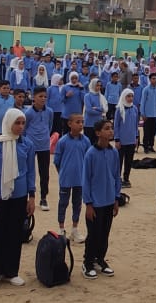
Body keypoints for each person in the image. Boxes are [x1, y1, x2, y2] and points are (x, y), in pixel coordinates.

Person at [0, 108, 37, 290]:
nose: (20, 126)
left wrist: (31, 196)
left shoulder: (27, 145)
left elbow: (30, 172)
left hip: (19, 197)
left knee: (15, 235)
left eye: (23, 123)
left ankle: (11, 271)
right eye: (17, 123)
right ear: (8, 123)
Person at [81, 119, 122, 279]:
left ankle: (100, 259)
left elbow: (116, 176)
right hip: (95, 202)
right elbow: (86, 180)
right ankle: (88, 262)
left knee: (105, 233)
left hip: (109, 200)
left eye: (111, 128)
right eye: (106, 128)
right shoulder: (90, 154)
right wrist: (88, 203)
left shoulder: (114, 153)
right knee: (94, 234)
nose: (111, 131)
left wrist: (116, 198)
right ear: (98, 133)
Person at [54, 114, 91, 242]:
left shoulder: (86, 141)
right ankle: (61, 229)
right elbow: (57, 161)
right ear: (70, 124)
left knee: (77, 204)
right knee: (63, 203)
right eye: (77, 122)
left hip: (80, 180)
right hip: (66, 179)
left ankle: (75, 229)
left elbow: (88, 159)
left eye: (82, 122)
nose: (80, 125)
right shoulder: (63, 141)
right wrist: (63, 173)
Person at [23, 86, 54, 211]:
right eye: (40, 96)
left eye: (45, 96)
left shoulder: (49, 111)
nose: (43, 99)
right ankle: (28, 196)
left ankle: (43, 198)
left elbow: (49, 126)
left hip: (44, 146)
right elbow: (24, 128)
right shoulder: (28, 113)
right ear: (34, 97)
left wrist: (44, 137)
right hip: (31, 146)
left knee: (44, 173)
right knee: (29, 171)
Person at [113, 88, 138, 188]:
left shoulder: (134, 108)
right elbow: (116, 125)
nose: (130, 98)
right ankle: (117, 179)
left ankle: (126, 178)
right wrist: (117, 139)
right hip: (122, 141)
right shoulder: (119, 109)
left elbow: (136, 124)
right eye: (128, 96)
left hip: (131, 140)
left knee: (129, 161)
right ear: (124, 97)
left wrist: (136, 137)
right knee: (119, 161)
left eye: (132, 96)